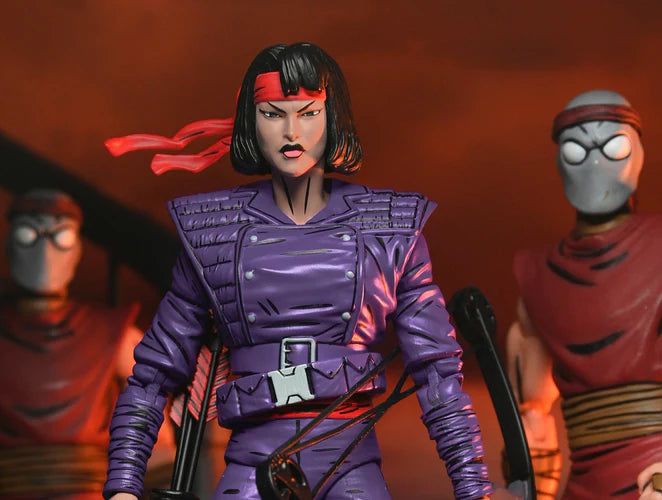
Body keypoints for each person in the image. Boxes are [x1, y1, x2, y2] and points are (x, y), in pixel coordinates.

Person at [103, 42, 492, 500]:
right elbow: (153, 375)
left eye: (308, 113)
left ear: (333, 118)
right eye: (273, 114)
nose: (291, 131)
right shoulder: (214, 234)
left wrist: (474, 489)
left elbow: (438, 373)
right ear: (251, 122)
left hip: (351, 458)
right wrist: (123, 486)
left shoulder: (391, 229)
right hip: (253, 459)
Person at [0, 189, 168, 500]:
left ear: (77, 248)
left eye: (61, 237)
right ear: (9, 244)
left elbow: (158, 449)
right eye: (28, 235)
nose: (45, 250)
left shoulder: (116, 335)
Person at [506, 89, 662, 499]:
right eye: (578, 149)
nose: (595, 161)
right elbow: (533, 417)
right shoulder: (538, 274)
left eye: (613, 146)